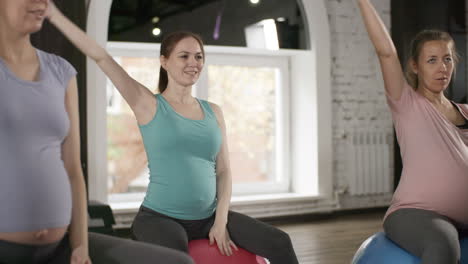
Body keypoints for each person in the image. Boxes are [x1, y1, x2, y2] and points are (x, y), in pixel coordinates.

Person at [44, 1, 300, 263]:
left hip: (210, 216)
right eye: (184, 56)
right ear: (164, 62)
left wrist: (221, 220)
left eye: (199, 56)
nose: (193, 63)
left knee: (280, 242)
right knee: (179, 260)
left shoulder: (214, 111)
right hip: (160, 218)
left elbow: (223, 171)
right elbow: (101, 56)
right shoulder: (148, 104)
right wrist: (54, 16)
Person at [0, 0, 194, 263]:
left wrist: (81, 246)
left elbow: (72, 170)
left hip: (63, 247)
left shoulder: (61, 72)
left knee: (177, 262)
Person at [357, 0, 468, 263]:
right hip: (417, 213)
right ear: (415, 66)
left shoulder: (465, 110)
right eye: (432, 60)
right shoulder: (407, 103)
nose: (442, 67)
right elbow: (385, 52)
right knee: (443, 247)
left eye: (447, 59)